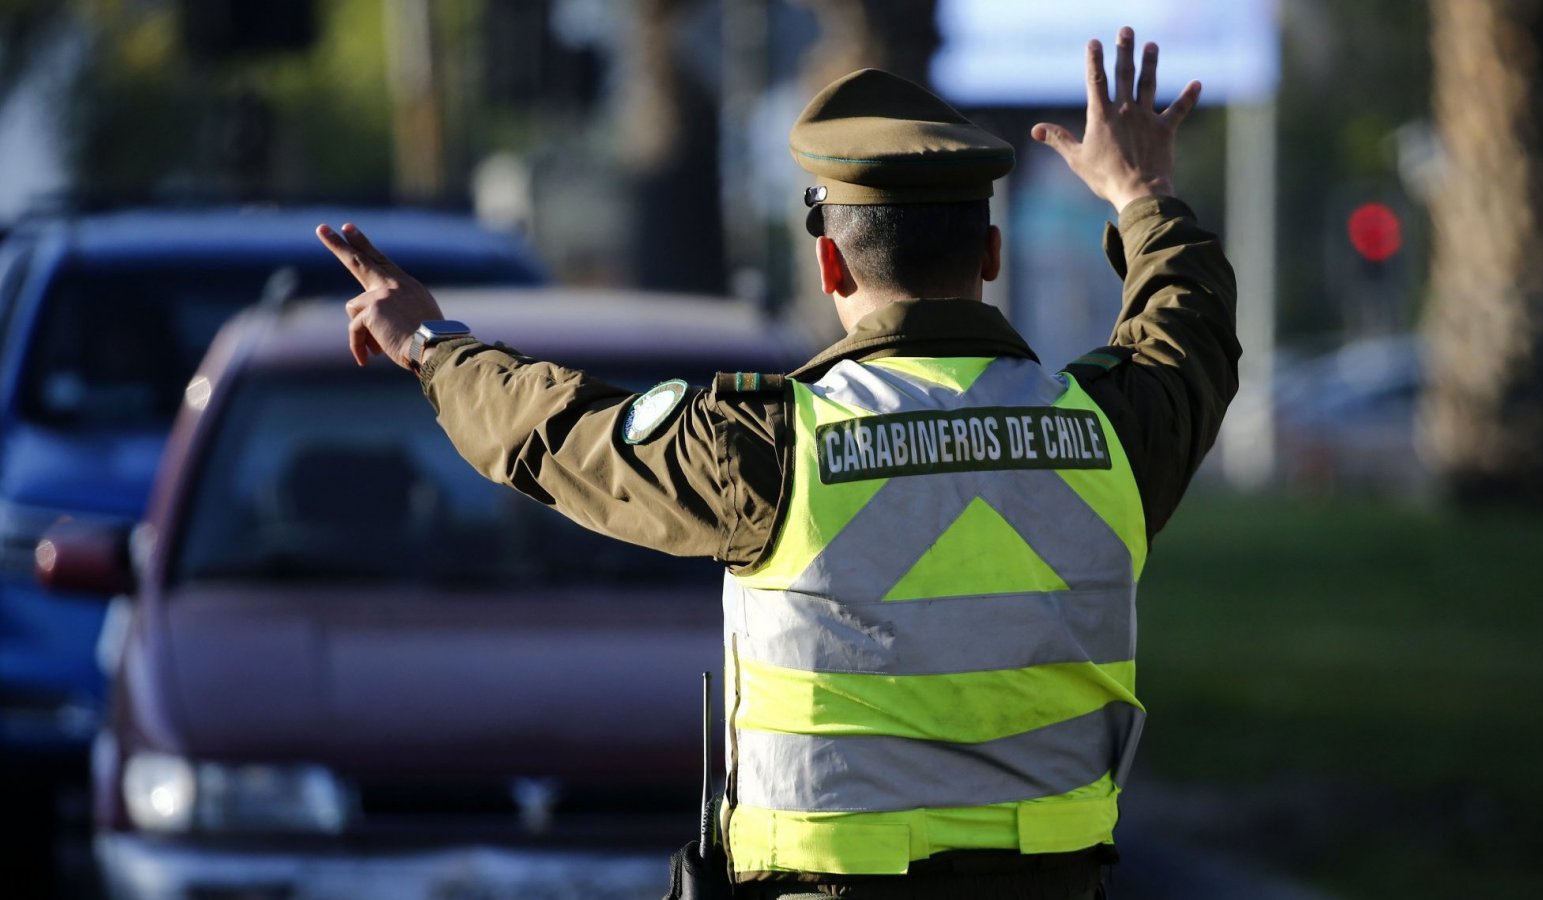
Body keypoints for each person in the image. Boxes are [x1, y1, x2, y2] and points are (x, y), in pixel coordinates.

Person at [319, 26, 1237, 900]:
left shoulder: (764, 446)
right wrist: (1140, 192)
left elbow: (557, 433)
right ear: (990, 254)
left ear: (832, 265)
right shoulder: (1112, 433)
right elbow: (1189, 327)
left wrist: (431, 346)